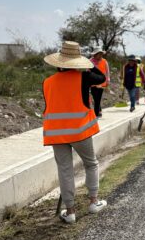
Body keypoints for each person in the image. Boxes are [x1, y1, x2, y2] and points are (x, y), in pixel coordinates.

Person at [43, 41, 107, 224]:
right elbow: (101, 77)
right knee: (91, 164)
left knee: (65, 170)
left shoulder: (47, 82)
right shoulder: (84, 78)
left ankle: (70, 212)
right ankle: (94, 202)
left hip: (56, 134)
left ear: (58, 62)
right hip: (80, 132)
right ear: (78, 61)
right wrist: (87, 67)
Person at [90, 46, 110, 117]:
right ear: (95, 54)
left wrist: (108, 80)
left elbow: (107, 71)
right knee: (96, 98)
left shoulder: (104, 61)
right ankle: (99, 110)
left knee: (98, 98)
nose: (100, 55)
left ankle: (96, 112)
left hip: (101, 83)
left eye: (101, 54)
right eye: (99, 54)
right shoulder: (90, 61)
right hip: (93, 83)